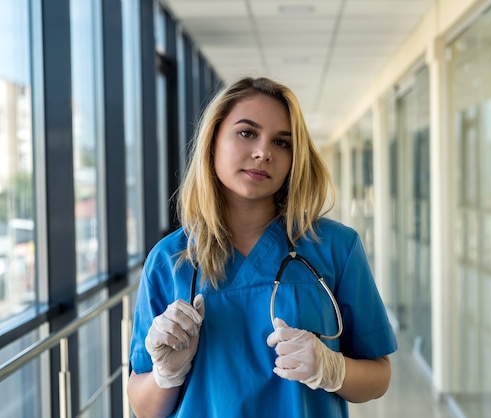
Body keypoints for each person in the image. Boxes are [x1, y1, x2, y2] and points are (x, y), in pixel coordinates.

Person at [127, 76, 398, 418]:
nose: (263, 152)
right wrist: (166, 375)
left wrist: (334, 370)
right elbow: (142, 405)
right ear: (213, 142)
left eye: (282, 142)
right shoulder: (169, 260)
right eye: (246, 133)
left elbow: (379, 375)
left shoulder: (335, 248)